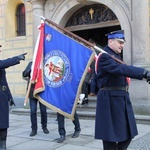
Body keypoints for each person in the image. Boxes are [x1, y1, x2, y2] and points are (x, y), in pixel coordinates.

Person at [95, 30, 150, 150]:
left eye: (123, 43)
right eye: (120, 42)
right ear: (110, 41)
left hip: (121, 98)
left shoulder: (114, 56)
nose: (122, 45)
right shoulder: (105, 57)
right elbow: (121, 69)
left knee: (128, 134)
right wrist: (144, 73)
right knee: (109, 138)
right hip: (109, 99)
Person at [0, 45, 26, 150]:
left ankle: (3, 145)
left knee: (3, 122)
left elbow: (4, 82)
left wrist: (9, 97)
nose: (0, 50)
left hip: (2, 97)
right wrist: (17, 58)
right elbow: (4, 63)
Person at [22, 61, 49, 137]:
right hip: (32, 91)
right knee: (33, 111)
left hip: (41, 91)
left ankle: (44, 127)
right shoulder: (31, 63)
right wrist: (30, 69)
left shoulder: (44, 63)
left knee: (43, 111)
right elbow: (24, 74)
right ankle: (34, 129)